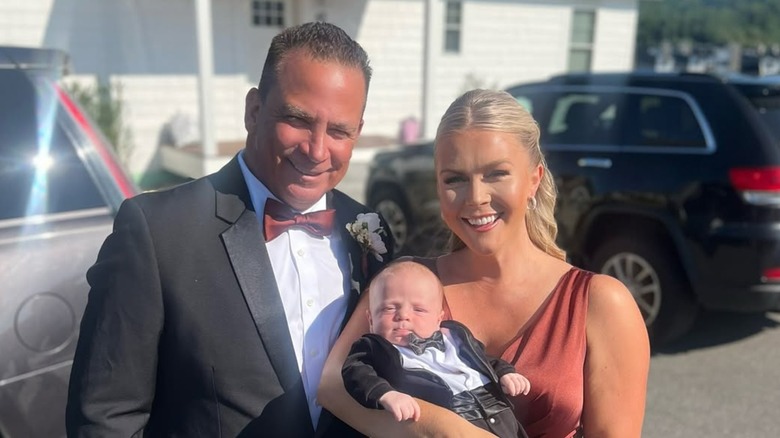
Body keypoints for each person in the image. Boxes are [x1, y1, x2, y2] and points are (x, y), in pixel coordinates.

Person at [66, 22, 394, 437]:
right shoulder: (157, 233)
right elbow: (105, 417)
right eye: (297, 119)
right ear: (253, 111)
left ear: (357, 133)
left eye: (339, 131)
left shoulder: (369, 233)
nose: (316, 149)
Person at [318, 89, 650, 437]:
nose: (475, 198)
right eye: (455, 179)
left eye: (496, 174)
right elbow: (333, 385)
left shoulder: (600, 302)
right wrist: (446, 429)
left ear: (533, 179)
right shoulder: (406, 281)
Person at [342, 260, 530, 438]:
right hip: (455, 417)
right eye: (389, 309)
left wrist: (505, 373)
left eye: (419, 310)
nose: (403, 316)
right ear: (371, 320)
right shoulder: (376, 349)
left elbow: (485, 360)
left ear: (438, 319)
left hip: (497, 406)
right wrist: (385, 394)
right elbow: (355, 371)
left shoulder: (455, 337)